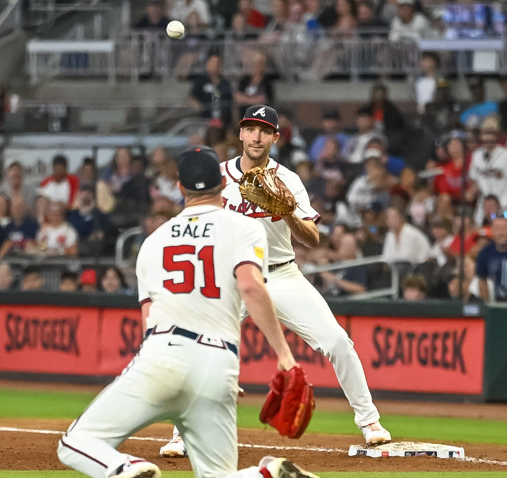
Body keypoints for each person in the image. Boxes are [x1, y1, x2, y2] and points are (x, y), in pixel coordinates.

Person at [57, 147, 334, 478]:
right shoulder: (245, 226)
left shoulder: (153, 242)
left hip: (163, 356)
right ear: (223, 184)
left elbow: (148, 318)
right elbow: (251, 286)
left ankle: (126, 465)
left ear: (179, 187)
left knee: (74, 443)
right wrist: (284, 357)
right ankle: (265, 476)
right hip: (219, 364)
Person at [159, 106, 391, 458]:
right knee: (198, 349)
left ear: (275, 138)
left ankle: (370, 421)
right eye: (250, 128)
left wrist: (286, 212)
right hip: (231, 278)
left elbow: (313, 238)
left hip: (281, 273)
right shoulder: (217, 176)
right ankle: (180, 433)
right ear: (240, 133)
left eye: (264, 131)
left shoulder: (288, 180)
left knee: (338, 342)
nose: (256, 136)